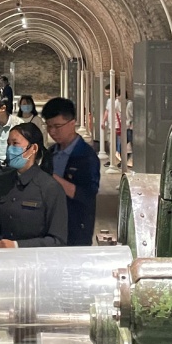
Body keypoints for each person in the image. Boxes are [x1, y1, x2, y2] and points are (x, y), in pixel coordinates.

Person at [0, 124, 68, 248]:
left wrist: (17, 246)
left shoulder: (50, 188)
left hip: (35, 258)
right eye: (8, 144)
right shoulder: (3, 181)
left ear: (33, 148)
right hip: (2, 257)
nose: (10, 149)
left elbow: (57, 240)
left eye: (15, 144)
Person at [40, 98, 102, 246]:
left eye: (57, 126)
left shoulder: (86, 156)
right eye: (49, 126)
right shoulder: (51, 152)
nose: (52, 132)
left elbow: (86, 195)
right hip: (50, 227)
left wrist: (51, 177)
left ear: (72, 123)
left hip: (76, 228)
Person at [102, 87, 122, 166]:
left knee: (118, 144)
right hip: (111, 125)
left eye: (108, 93)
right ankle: (112, 160)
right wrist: (103, 121)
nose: (107, 94)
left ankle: (118, 160)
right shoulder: (109, 101)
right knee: (111, 143)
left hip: (117, 126)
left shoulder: (118, 102)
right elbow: (107, 111)